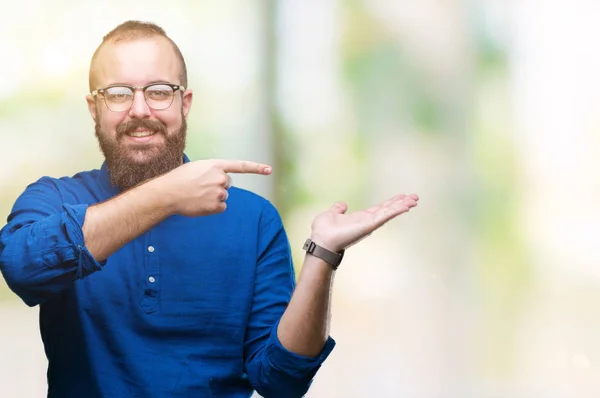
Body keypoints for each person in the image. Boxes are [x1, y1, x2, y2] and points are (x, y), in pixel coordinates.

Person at [0, 20, 419, 398]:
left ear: (185, 103)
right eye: (119, 94)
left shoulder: (253, 220)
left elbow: (281, 380)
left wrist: (323, 256)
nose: (140, 109)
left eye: (160, 91)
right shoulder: (52, 199)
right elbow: (22, 268)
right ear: (94, 108)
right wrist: (166, 195)